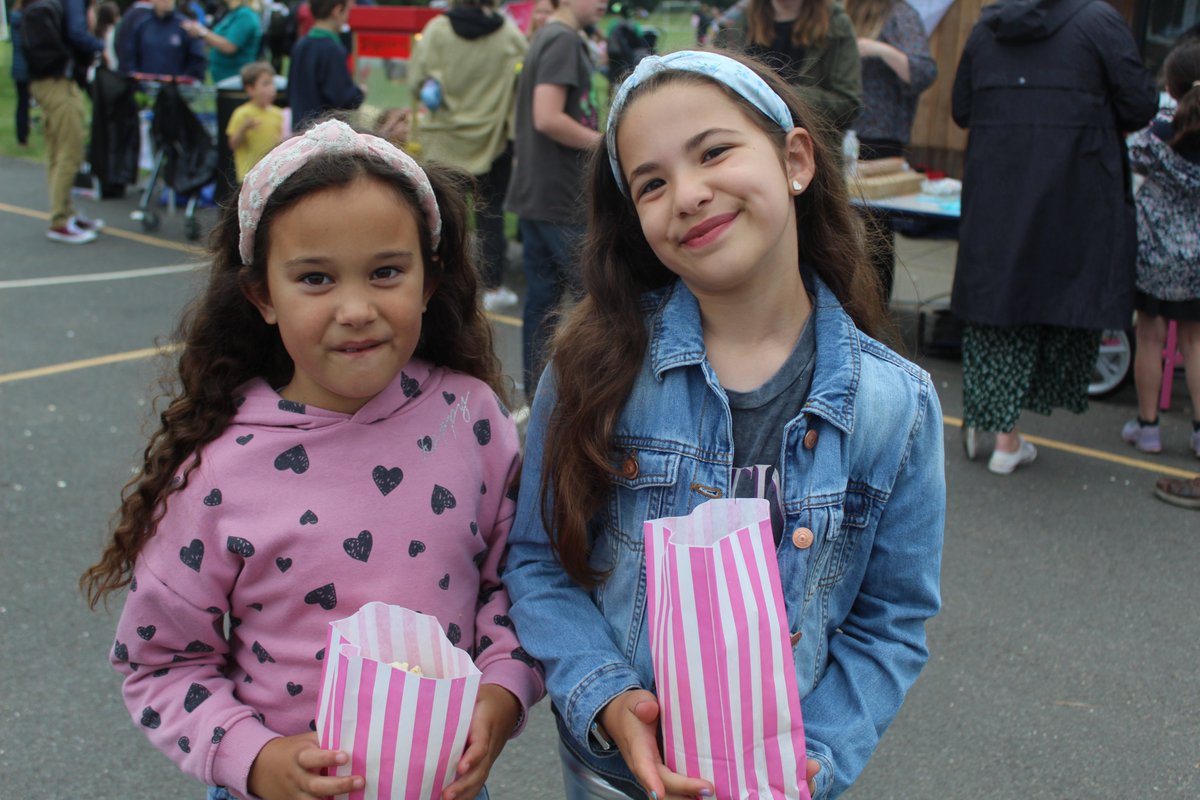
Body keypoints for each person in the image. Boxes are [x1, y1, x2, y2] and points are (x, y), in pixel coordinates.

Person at [504, 50, 945, 800]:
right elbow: (538, 564)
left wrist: (817, 759)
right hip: (612, 781)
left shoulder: (896, 405)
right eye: (651, 183)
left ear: (796, 158)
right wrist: (606, 696)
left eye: (714, 152)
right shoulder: (591, 369)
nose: (688, 193)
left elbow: (890, 622)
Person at [79, 119, 544, 800]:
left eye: (386, 271)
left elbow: (518, 585)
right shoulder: (219, 470)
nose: (355, 308)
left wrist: (504, 691)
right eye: (316, 278)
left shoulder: (472, 421)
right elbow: (160, 663)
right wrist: (256, 759)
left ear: (429, 278)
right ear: (262, 295)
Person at [951, 0, 1157, 475]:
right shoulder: (1099, 23)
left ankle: (1000, 429)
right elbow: (1141, 103)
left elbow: (962, 109)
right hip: (1074, 196)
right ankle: (1007, 437)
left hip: (997, 195)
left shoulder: (986, 32)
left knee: (999, 305)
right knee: (1056, 298)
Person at [504, 0, 604, 398]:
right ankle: (581, 402)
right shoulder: (561, 39)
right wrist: (607, 143)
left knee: (542, 307)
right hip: (561, 200)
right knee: (596, 305)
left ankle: (540, 399)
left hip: (539, 195)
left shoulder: (550, 35)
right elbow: (548, 116)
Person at [409, 0, 527, 313]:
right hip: (493, 141)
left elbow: (415, 79)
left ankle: (436, 283)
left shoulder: (437, 30)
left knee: (441, 216)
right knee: (491, 217)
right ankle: (493, 286)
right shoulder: (508, 34)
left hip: (444, 140)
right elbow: (524, 77)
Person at [1120, 43, 1200, 471]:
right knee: (1195, 340)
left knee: (1149, 336)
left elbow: (1131, 153)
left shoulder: (1157, 134)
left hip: (1155, 253)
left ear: (1170, 85)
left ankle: (1148, 427)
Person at [844, 0, 935, 300]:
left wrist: (878, 49)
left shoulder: (900, 15)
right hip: (841, 132)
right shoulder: (843, 11)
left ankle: (874, 312)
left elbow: (923, 72)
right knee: (838, 228)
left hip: (880, 139)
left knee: (875, 234)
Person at [714, 0, 863, 133]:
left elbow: (847, 105)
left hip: (811, 149)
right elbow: (715, 88)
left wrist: (779, 96)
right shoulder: (735, 23)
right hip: (745, 144)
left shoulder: (837, 24)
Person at [25, 0, 105, 243]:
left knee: (58, 151)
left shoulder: (44, 7)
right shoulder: (52, 8)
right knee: (70, 150)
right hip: (57, 82)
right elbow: (74, 37)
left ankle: (66, 212)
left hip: (51, 82)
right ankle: (60, 219)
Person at [287, 0, 364, 131]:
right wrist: (359, 92)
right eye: (347, 11)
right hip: (325, 134)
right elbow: (342, 99)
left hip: (300, 130)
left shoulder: (300, 45)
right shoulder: (333, 50)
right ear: (337, 10)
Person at [226, 60, 282, 181]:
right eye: (265, 84)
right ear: (250, 89)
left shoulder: (278, 113)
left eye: (272, 83)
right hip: (249, 176)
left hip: (272, 174)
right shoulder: (242, 113)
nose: (272, 89)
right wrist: (243, 128)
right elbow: (232, 144)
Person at [181, 0, 263, 83]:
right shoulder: (235, 13)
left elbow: (230, 46)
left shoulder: (245, 15)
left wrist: (202, 32)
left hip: (236, 80)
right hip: (226, 80)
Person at [126, 0, 207, 79]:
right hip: (147, 87)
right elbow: (131, 56)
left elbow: (197, 59)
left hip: (176, 88)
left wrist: (183, 80)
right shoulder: (143, 26)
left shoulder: (186, 26)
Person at [7, 0, 31, 148]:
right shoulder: (27, 19)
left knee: (22, 102)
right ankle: (23, 135)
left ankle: (22, 136)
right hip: (28, 67)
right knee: (25, 103)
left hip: (18, 66)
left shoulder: (15, 17)